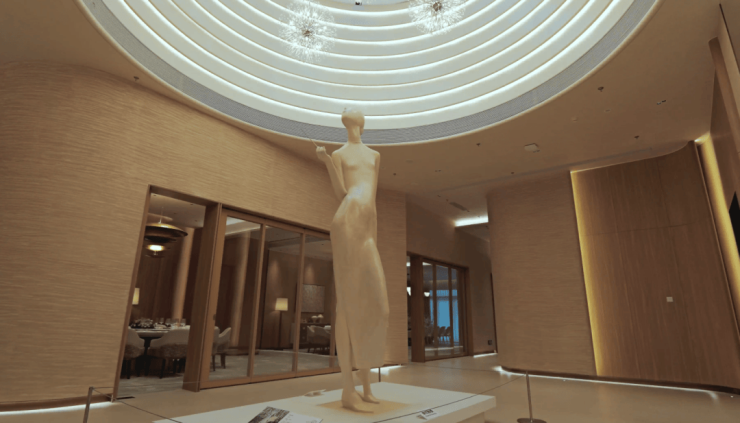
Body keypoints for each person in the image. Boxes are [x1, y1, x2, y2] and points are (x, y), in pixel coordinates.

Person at [316, 108, 390, 412]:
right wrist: (326, 162)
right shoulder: (337, 154)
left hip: (366, 228)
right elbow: (342, 192)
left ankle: (366, 382)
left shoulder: (374, 155)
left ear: (362, 123)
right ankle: (349, 389)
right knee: (346, 305)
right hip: (346, 221)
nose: (350, 114)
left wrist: (373, 235)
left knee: (379, 305)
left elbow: (373, 199)